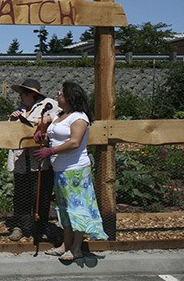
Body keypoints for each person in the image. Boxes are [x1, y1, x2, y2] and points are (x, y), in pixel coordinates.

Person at [34, 81, 108, 261]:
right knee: (65, 208)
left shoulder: (79, 118)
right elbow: (50, 128)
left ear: (69, 97)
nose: (58, 96)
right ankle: (65, 244)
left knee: (78, 209)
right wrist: (42, 133)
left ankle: (76, 248)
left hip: (75, 171)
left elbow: (75, 142)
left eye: (60, 93)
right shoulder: (60, 114)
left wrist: (50, 151)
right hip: (60, 170)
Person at [7, 79, 59, 241]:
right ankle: (20, 226)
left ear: (32, 94)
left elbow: (58, 116)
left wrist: (43, 121)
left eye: (23, 93)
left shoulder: (48, 104)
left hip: (40, 161)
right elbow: (11, 132)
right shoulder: (20, 110)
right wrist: (12, 119)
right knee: (21, 195)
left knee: (41, 195)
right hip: (22, 160)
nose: (20, 97)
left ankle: (41, 227)